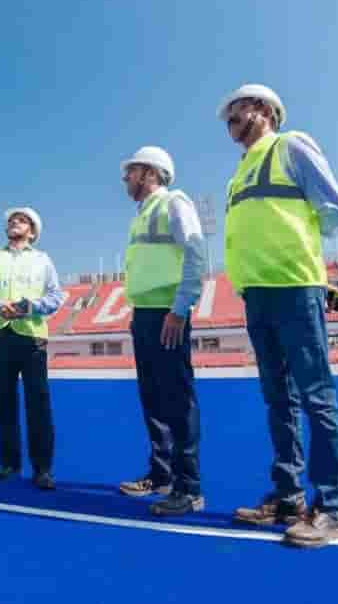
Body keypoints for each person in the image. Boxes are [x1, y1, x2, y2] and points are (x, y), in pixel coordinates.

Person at [217, 83, 338, 546]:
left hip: (295, 287)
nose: (229, 119)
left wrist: (300, 260)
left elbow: (335, 207)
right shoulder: (239, 171)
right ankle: (289, 496)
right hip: (258, 294)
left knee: (316, 397)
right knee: (279, 400)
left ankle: (330, 510)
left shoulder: (290, 146)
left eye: (235, 110)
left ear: (262, 110)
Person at [115, 146, 207, 516]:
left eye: (131, 171)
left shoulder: (174, 203)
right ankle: (162, 475)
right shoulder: (140, 216)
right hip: (146, 315)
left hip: (169, 313)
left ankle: (190, 488)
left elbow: (196, 253)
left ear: (150, 173)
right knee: (152, 398)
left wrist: (180, 308)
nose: (126, 178)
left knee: (177, 399)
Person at [0, 207, 65, 490]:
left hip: (32, 336)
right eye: (12, 220)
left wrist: (29, 307)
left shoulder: (43, 260)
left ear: (32, 231)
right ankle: (8, 463)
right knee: (4, 403)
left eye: (22, 220)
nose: (15, 222)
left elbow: (56, 295)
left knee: (38, 404)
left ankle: (42, 469)